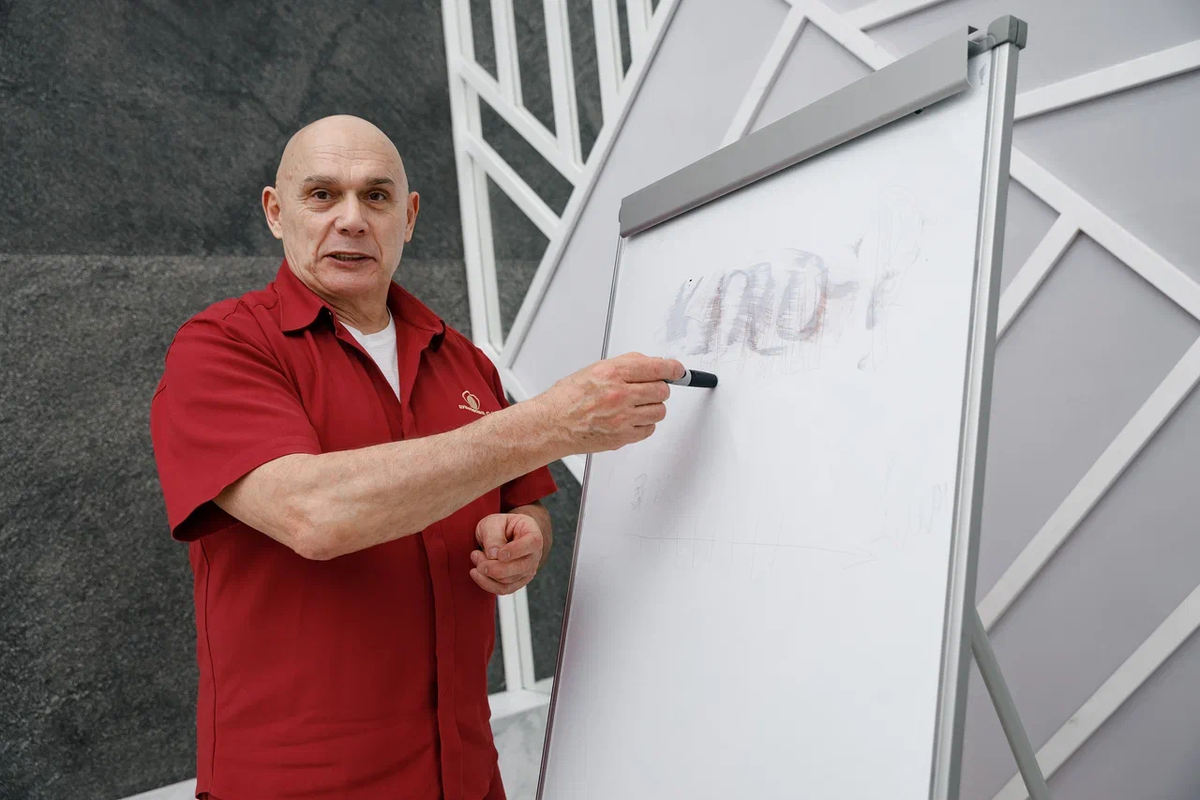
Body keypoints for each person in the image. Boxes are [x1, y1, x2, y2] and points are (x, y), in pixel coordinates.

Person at [149, 114, 683, 800]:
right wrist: (551, 422)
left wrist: (524, 539)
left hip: (464, 773)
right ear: (276, 213)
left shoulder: (461, 358)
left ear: (408, 217)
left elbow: (522, 502)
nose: (352, 219)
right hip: (300, 786)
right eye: (322, 194)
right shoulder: (222, 347)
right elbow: (313, 514)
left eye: (376, 196)